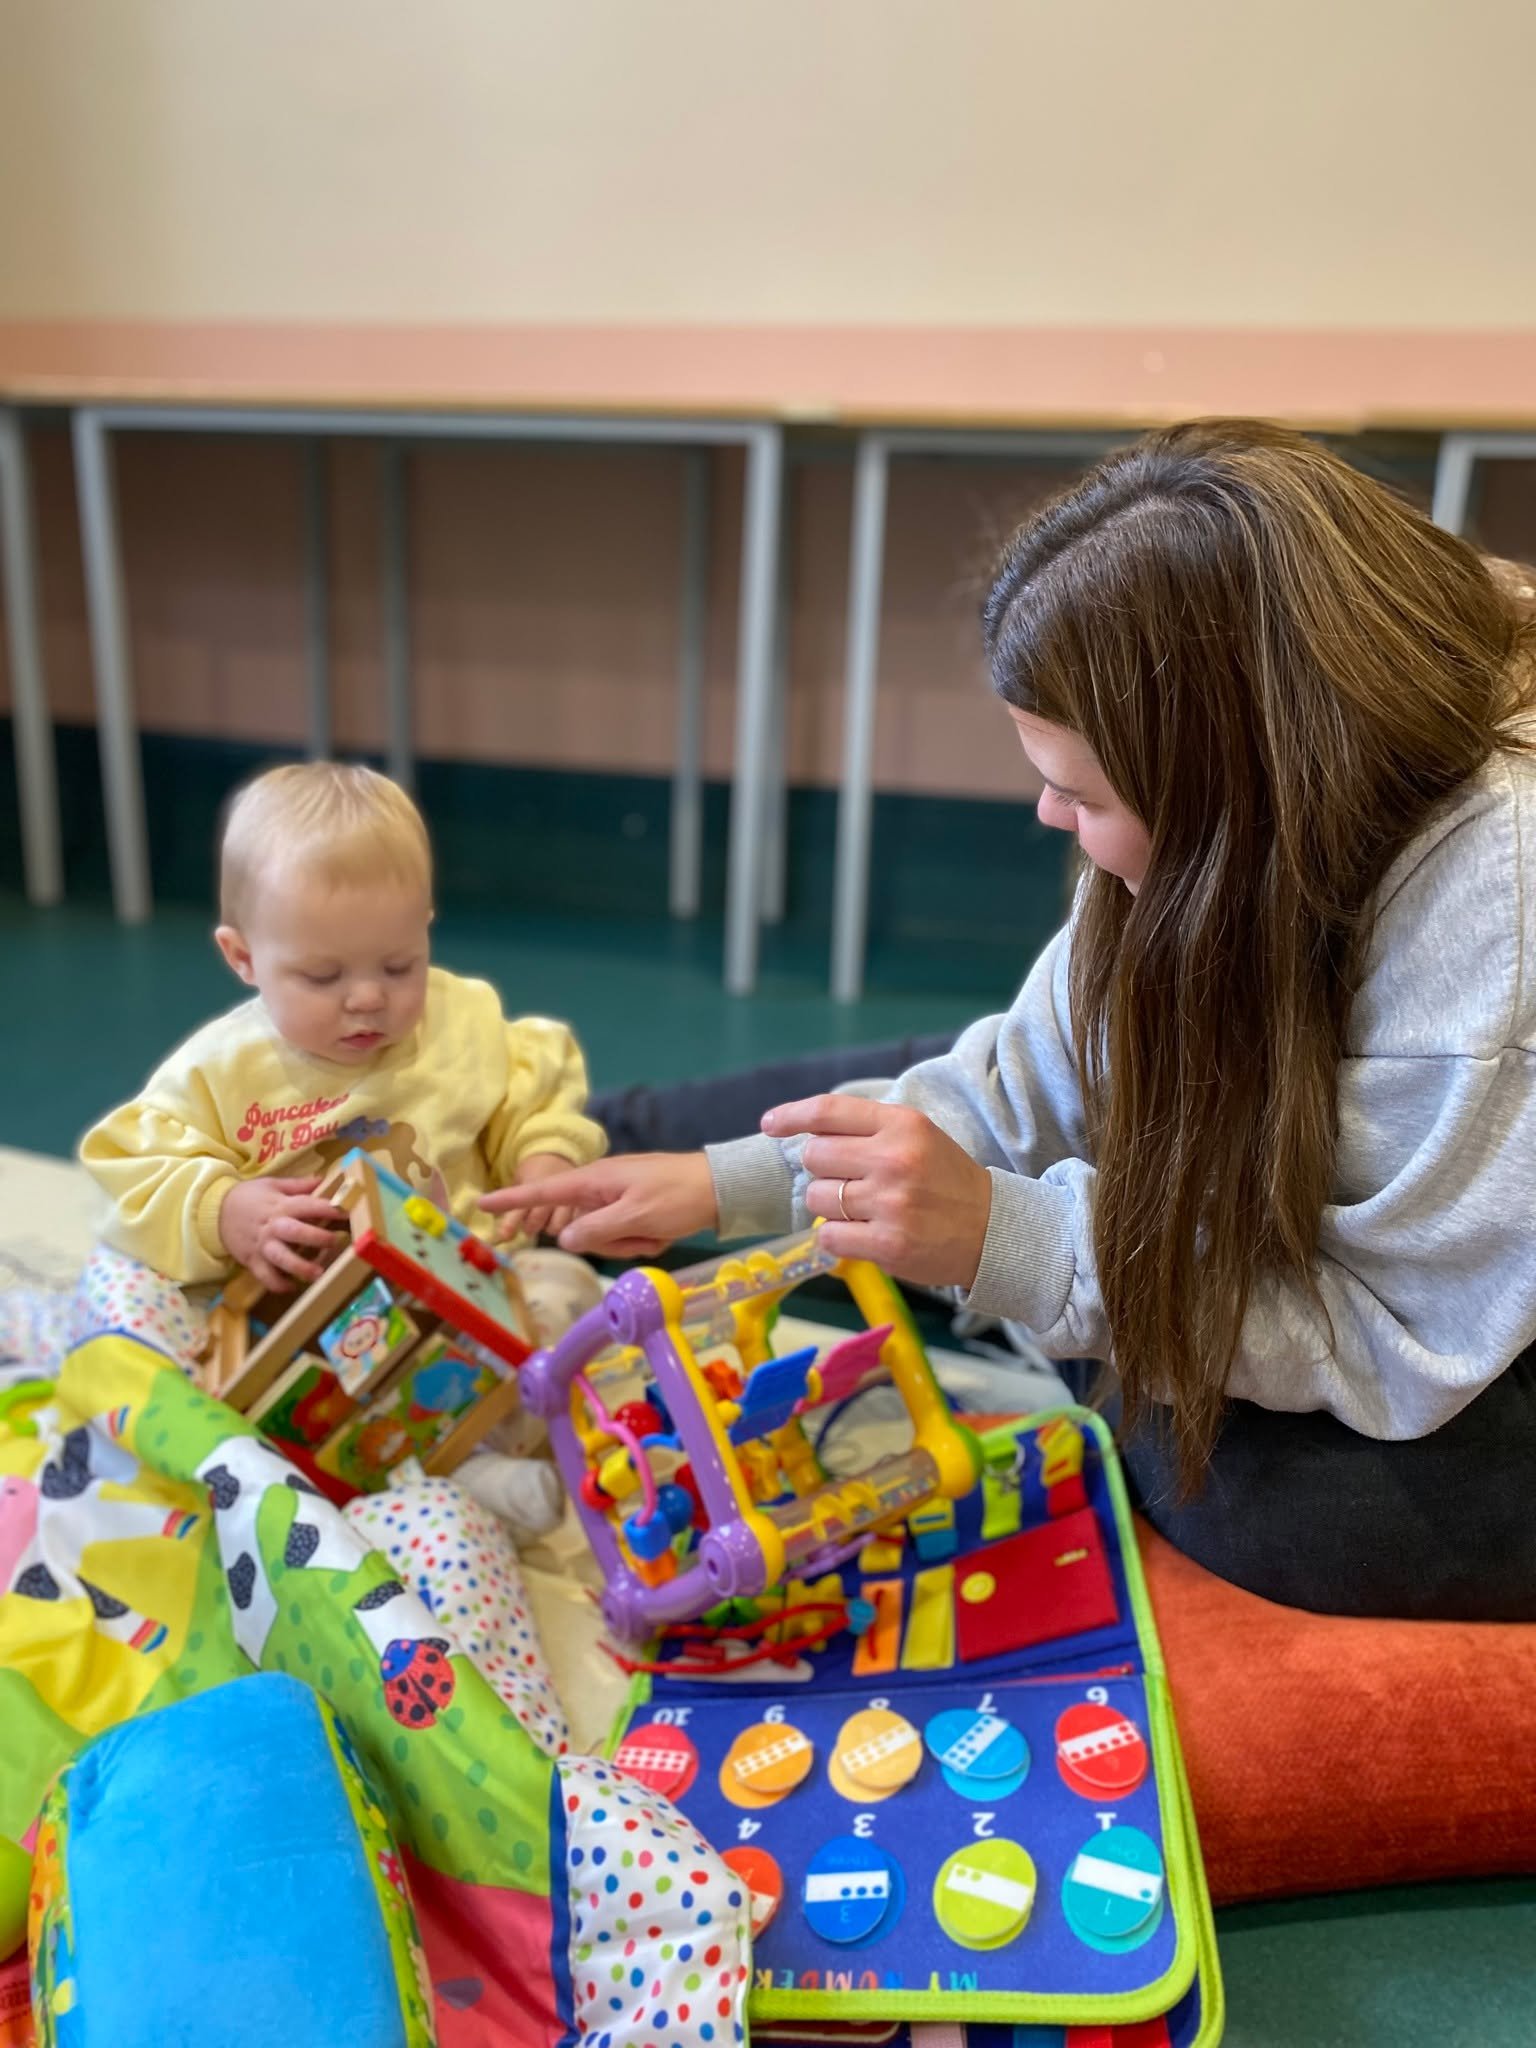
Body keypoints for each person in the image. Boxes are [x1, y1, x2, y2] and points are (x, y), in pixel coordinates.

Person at [487, 419, 1536, 1621]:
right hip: (1302, 1212)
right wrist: (729, 1182)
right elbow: (1040, 1063)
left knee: (1280, 1505)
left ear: (1229, 789)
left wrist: (1022, 1245)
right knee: (930, 1146)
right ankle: (597, 1137)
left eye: (1083, 792)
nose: (1046, 812)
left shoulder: (1498, 913)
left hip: (1474, 1325)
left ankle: (1028, 1290)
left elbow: (1403, 1336)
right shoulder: (1259, 752)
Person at [64, 761, 607, 1535]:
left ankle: (469, 1461)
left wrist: (543, 1158)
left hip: (476, 1289)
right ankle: (456, 1482)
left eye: (399, 964)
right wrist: (224, 1209)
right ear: (243, 958)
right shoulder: (221, 1072)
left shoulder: (463, 1021)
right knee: (232, 1399)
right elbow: (131, 1171)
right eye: (322, 975)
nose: (368, 997)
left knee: (569, 1295)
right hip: (312, 1334)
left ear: (425, 925)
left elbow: (533, 1090)